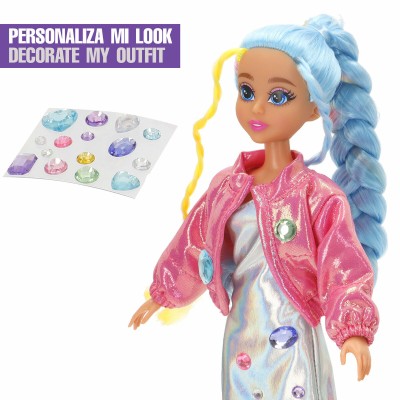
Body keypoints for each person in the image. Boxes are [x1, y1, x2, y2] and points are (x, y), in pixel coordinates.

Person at [129, 14, 386, 399]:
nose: (258, 109)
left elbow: (342, 267)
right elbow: (193, 243)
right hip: (241, 339)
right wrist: (164, 292)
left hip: (293, 338)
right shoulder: (226, 187)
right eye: (247, 92)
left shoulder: (318, 196)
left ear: (313, 109)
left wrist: (353, 330)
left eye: (279, 96)